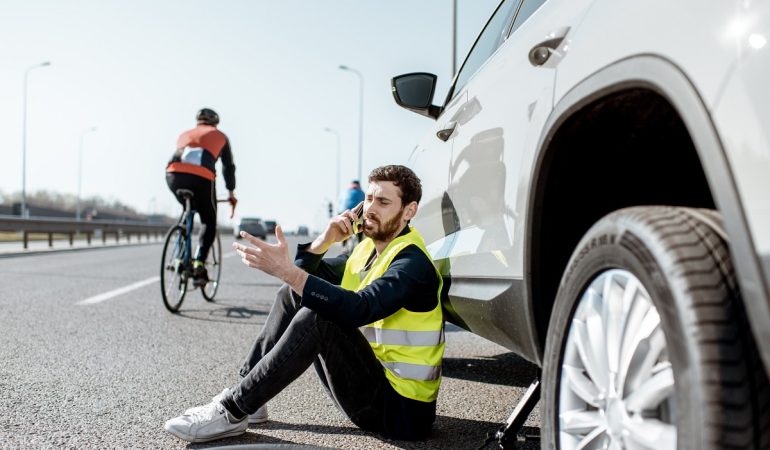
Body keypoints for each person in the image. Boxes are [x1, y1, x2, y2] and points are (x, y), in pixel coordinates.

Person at [164, 165, 444, 443]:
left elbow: (360, 308)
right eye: (368, 199)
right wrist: (324, 241)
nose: (370, 208)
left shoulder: (412, 263)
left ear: (409, 211)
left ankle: (233, 410)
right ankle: (250, 396)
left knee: (319, 317)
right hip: (371, 386)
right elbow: (302, 282)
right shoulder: (366, 251)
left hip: (401, 413)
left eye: (383, 202)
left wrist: (288, 271)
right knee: (295, 293)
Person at [166, 108, 237, 284]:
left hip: (173, 175)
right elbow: (228, 167)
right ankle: (198, 262)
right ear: (215, 123)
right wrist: (230, 193)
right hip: (202, 178)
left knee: (187, 209)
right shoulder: (220, 136)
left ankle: (180, 253)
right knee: (208, 220)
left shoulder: (185, 134)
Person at [340, 179, 365, 250]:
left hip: (343, 212)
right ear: (359, 185)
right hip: (354, 213)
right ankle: (359, 243)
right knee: (360, 228)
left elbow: (339, 202)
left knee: (345, 229)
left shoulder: (344, 192)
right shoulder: (361, 192)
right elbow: (364, 203)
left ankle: (343, 246)